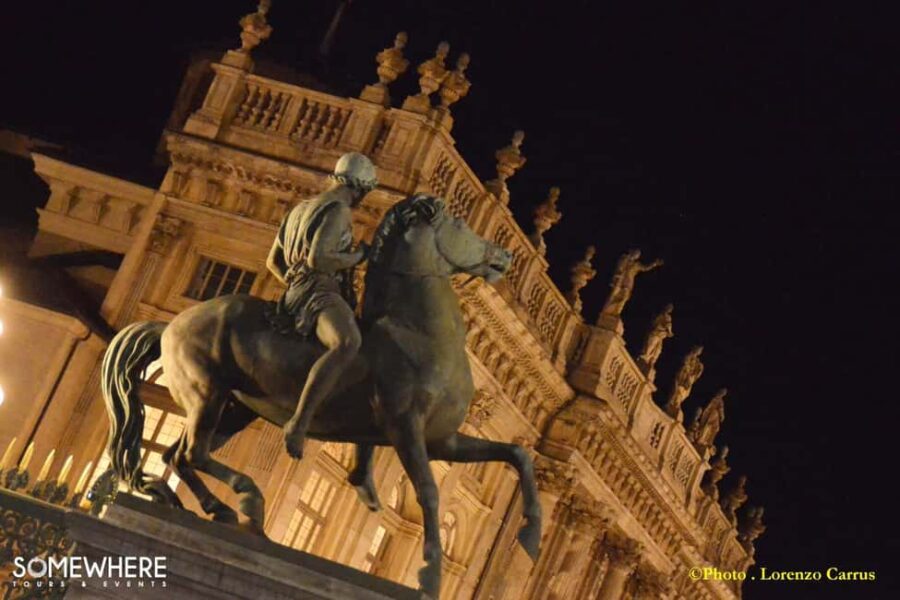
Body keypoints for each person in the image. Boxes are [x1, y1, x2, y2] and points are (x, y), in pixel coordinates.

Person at [266, 152, 377, 458]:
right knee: (347, 342)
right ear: (360, 189)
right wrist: (358, 256)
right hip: (320, 290)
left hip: (292, 291)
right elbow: (319, 258)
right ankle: (299, 423)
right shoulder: (339, 210)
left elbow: (272, 261)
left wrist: (293, 280)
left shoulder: (301, 207)